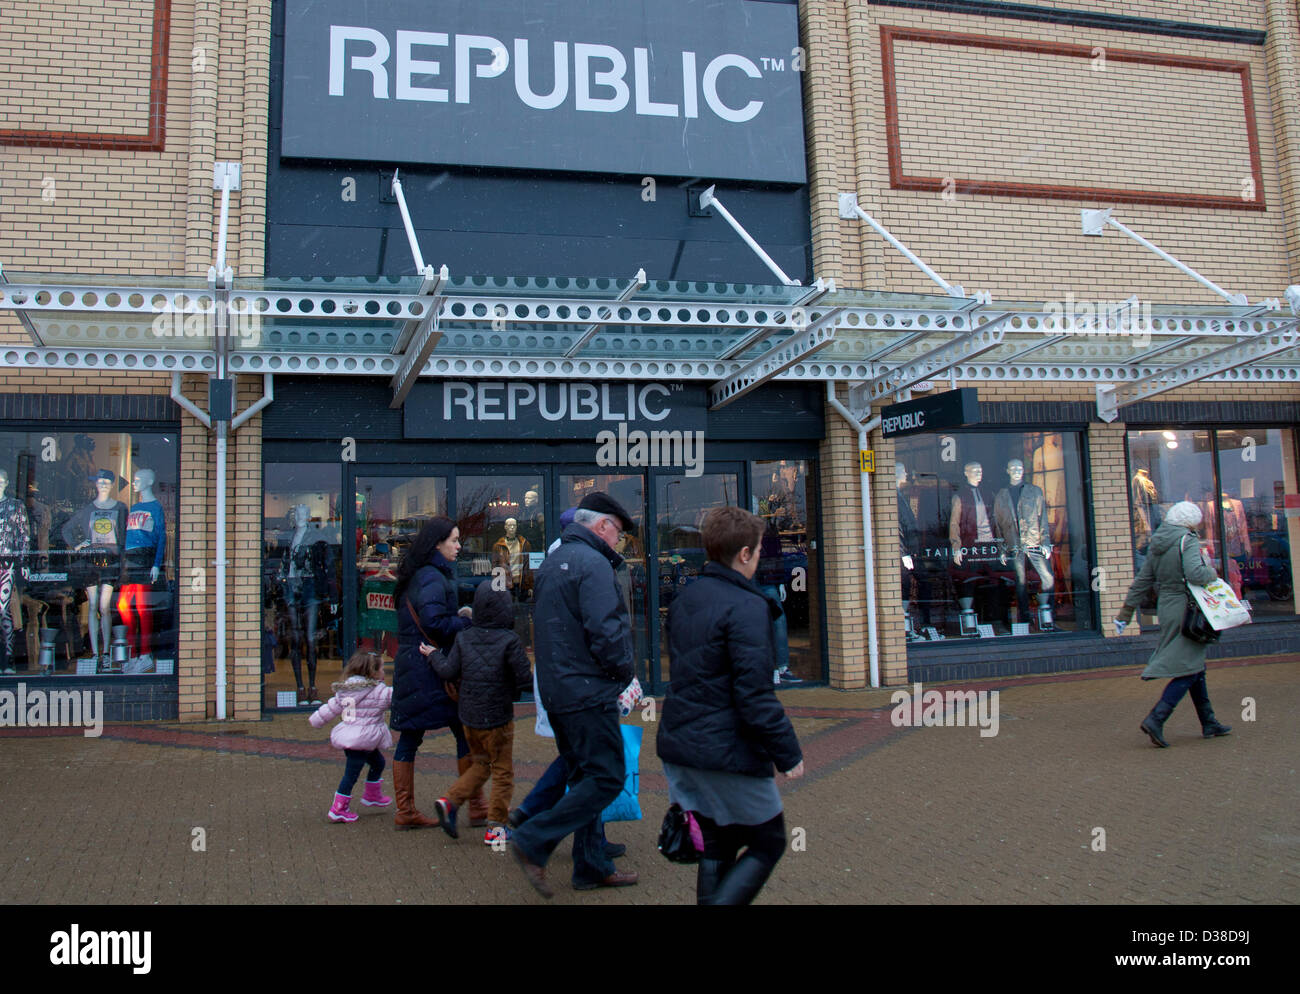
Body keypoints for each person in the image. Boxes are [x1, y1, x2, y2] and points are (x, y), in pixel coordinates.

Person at [658, 505, 804, 905]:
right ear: (743, 554)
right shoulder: (748, 607)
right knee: (769, 840)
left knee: (718, 843)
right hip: (725, 751)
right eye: (757, 551)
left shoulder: (687, 598)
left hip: (683, 744)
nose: (759, 559)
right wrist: (788, 754)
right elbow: (754, 696)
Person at [509, 493, 637, 897]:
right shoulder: (594, 565)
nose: (619, 541)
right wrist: (625, 674)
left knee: (583, 775)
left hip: (558, 691)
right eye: (618, 532)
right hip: (587, 692)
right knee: (606, 776)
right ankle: (534, 839)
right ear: (602, 526)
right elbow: (606, 632)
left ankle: (591, 864)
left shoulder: (552, 563)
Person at [1115, 501, 1232, 747]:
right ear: (1190, 523)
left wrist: (1125, 613)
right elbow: (1195, 574)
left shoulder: (1158, 542)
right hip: (1186, 607)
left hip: (1167, 607)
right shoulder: (1187, 540)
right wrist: (1213, 571)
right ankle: (1156, 719)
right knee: (1188, 668)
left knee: (1193, 664)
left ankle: (1209, 722)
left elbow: (1143, 580)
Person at [389, 516, 479, 830]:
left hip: (415, 666)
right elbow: (435, 623)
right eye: (453, 540)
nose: (458, 546)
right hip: (431, 668)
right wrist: (466, 620)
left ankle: (406, 809)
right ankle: (475, 805)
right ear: (437, 543)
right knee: (464, 730)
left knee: (412, 735)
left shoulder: (420, 574)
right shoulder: (431, 577)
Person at [430, 581, 532, 845]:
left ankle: (450, 802)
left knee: (482, 764)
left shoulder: (464, 637)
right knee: (502, 772)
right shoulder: (510, 640)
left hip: (469, 717)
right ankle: (496, 828)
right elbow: (524, 680)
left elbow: (448, 671)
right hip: (497, 718)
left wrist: (433, 656)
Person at [308, 650, 395, 823]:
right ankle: (338, 809)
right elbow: (396, 697)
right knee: (351, 774)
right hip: (362, 740)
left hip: (353, 737)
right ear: (372, 672)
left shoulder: (345, 690)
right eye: (382, 669)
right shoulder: (378, 691)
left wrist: (316, 720)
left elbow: (331, 707)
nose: (384, 673)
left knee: (378, 763)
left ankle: (372, 795)